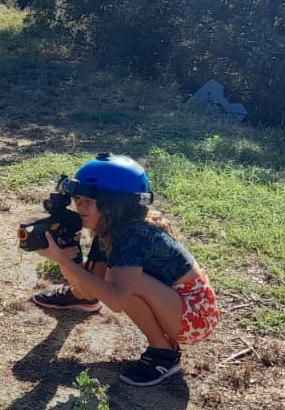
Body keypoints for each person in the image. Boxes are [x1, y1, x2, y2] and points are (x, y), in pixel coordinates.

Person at [30, 154, 219, 387]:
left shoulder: (135, 234)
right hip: (179, 308)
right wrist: (67, 259)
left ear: (115, 206)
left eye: (89, 201)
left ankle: (164, 354)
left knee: (122, 283)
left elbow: (117, 299)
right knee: (111, 280)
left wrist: (65, 262)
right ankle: (159, 348)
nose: (80, 206)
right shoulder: (108, 230)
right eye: (77, 198)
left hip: (196, 316)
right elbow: (89, 292)